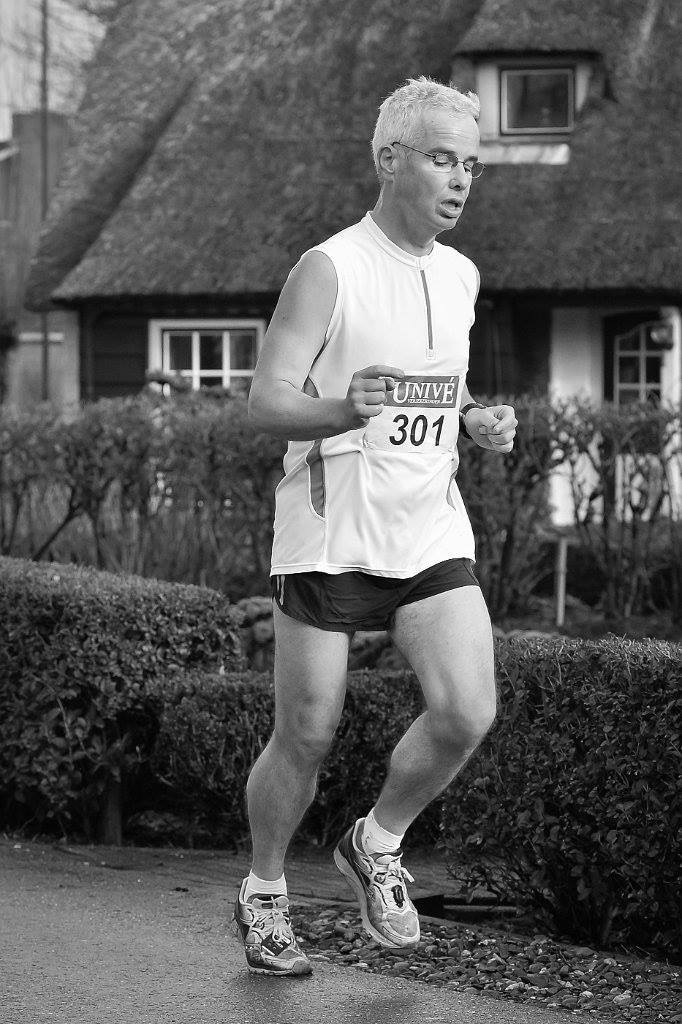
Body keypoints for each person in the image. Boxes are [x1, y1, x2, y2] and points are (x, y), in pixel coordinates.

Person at [233, 76, 517, 976]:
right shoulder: (330, 266)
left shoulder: (463, 274)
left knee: (468, 708)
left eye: (471, 163)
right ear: (390, 159)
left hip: (429, 525)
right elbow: (266, 401)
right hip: (332, 524)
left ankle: (377, 841)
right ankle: (265, 892)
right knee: (308, 734)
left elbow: (441, 381)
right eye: (442, 158)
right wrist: (339, 410)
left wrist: (477, 418)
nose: (461, 178)